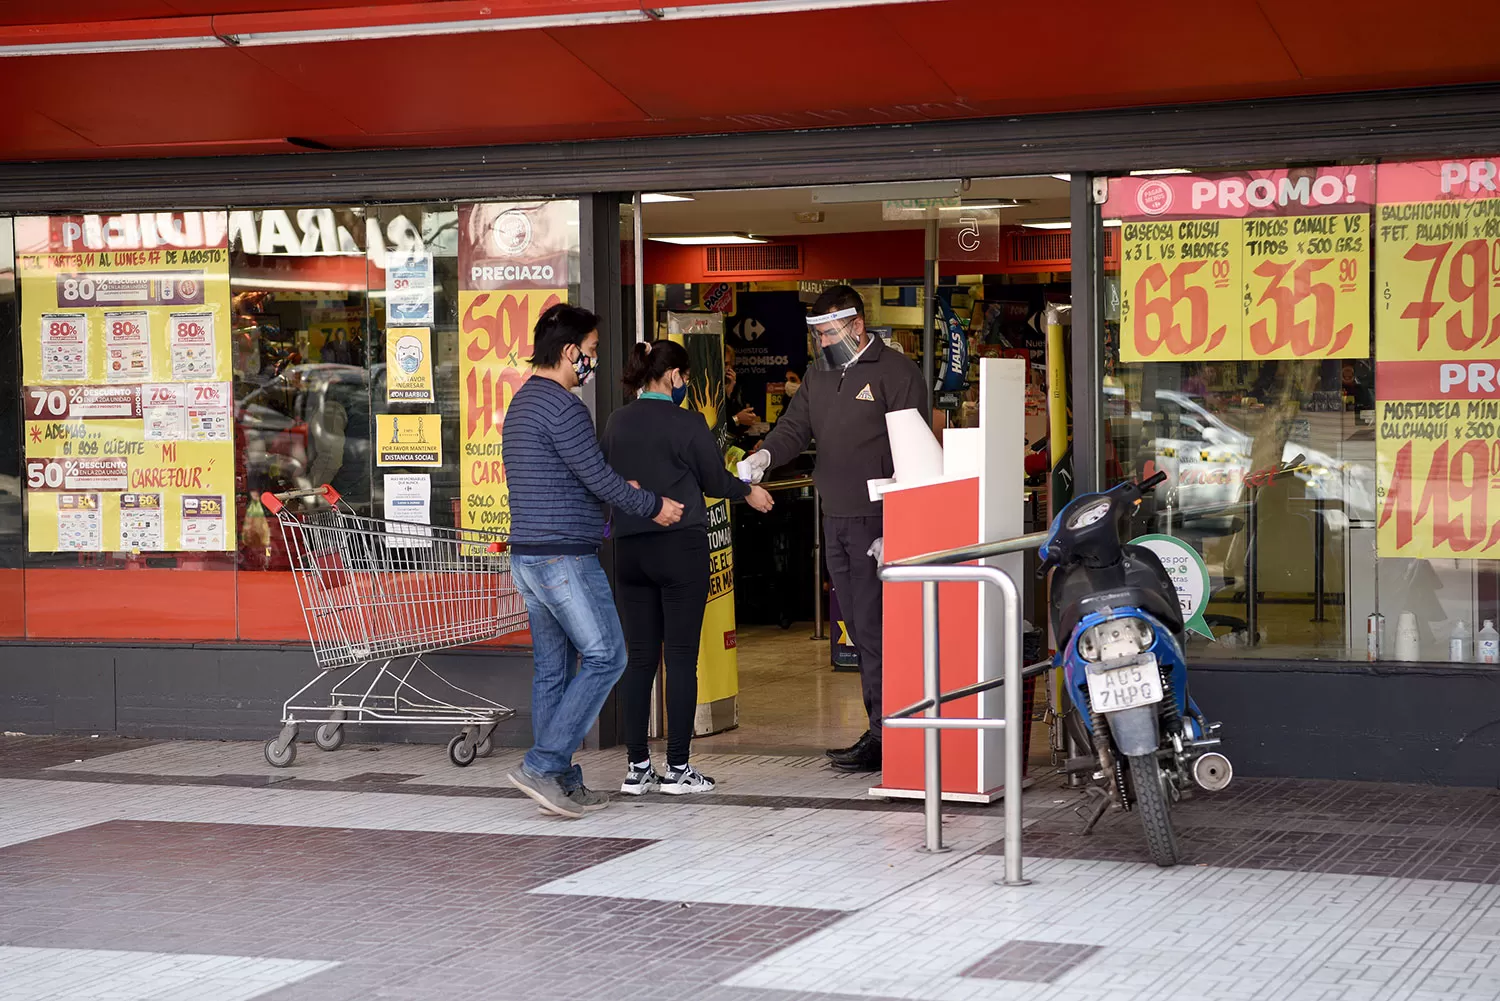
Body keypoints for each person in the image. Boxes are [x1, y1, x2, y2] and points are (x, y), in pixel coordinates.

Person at [502, 304, 686, 819]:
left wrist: (610, 489)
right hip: (564, 557)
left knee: (553, 672)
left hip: (530, 556)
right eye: (593, 351)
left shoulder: (523, 402)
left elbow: (572, 476)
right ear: (569, 351)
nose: (594, 361)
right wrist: (654, 504)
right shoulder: (563, 406)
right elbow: (598, 478)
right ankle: (543, 763)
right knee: (608, 656)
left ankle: (560, 779)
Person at [740, 285, 928, 773]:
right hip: (836, 518)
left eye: (828, 333)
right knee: (861, 631)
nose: (822, 343)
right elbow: (793, 428)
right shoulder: (819, 376)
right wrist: (763, 456)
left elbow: (917, 452)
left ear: (857, 327)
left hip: (877, 520)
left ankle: (892, 732)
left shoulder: (897, 374)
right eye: (818, 335)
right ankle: (880, 726)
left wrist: (901, 523)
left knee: (878, 629)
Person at [603, 340, 775, 795]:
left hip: (630, 548)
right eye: (685, 378)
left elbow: (604, 477)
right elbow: (714, 479)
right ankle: (678, 768)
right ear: (674, 376)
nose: (687, 386)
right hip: (681, 548)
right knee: (680, 657)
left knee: (639, 659)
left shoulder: (617, 422)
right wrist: (749, 491)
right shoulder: (688, 422)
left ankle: (637, 767)